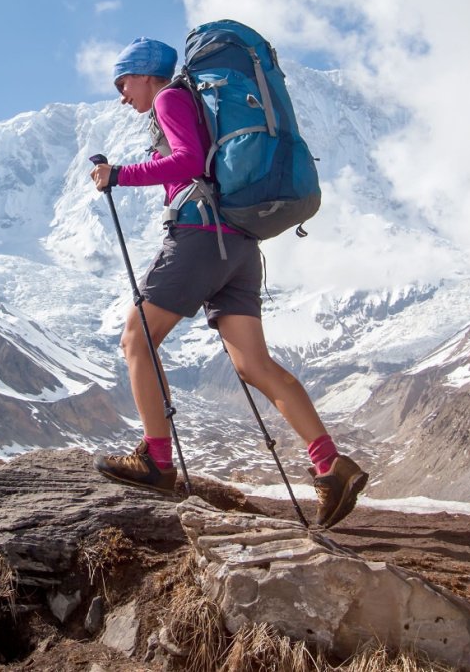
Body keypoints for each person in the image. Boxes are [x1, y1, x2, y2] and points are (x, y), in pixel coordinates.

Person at [89, 36, 369, 530]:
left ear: (147, 75)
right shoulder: (193, 100)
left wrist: (119, 175)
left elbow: (188, 162)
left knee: (137, 338)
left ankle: (157, 461)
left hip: (199, 237)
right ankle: (330, 464)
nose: (121, 94)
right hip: (238, 245)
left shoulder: (172, 98)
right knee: (254, 364)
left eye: (123, 81)